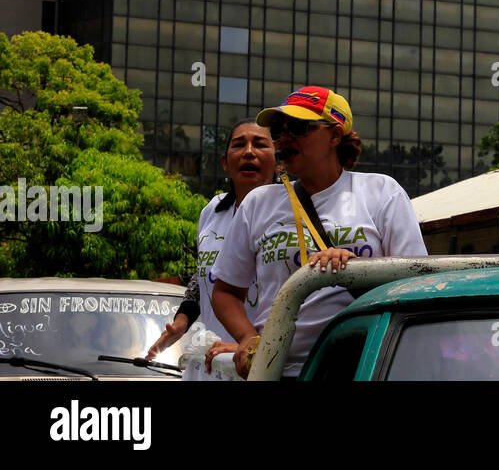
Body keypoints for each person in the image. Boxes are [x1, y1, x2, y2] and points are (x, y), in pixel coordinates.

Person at [210, 87, 427, 379]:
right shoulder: (258, 203)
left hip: (361, 367)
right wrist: (248, 339)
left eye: (298, 127)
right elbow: (225, 292)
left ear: (335, 136)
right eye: (278, 130)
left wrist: (357, 269)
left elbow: (415, 284)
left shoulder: (381, 192)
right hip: (276, 372)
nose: (285, 139)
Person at [146, 118, 276, 379]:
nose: (249, 152)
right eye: (239, 145)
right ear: (225, 162)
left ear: (278, 161)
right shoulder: (213, 211)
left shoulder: (289, 218)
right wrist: (181, 322)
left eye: (260, 144)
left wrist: (250, 344)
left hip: (262, 365)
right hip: (210, 365)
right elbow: (203, 277)